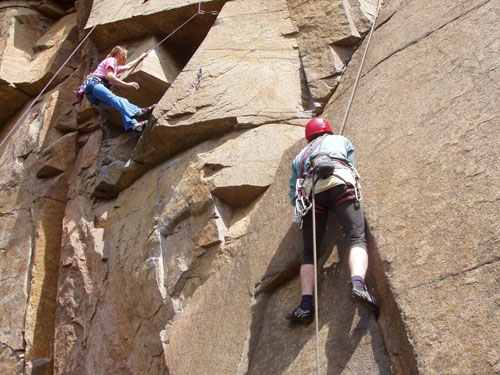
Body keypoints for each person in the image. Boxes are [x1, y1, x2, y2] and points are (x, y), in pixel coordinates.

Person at [286, 117, 378, 323]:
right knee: (356, 238)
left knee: (310, 252)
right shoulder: (340, 140)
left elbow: (293, 192)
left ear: (308, 137)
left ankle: (305, 306)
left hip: (312, 195)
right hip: (340, 183)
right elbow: (350, 162)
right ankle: (357, 285)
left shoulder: (299, 157)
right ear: (328, 130)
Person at [80, 46, 156, 132]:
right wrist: (126, 84)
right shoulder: (112, 60)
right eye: (126, 56)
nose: (126, 59)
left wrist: (141, 57)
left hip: (94, 97)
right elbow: (109, 76)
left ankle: (133, 125)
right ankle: (138, 111)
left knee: (122, 102)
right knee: (115, 99)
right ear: (121, 55)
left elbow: (128, 67)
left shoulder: (115, 67)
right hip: (95, 85)